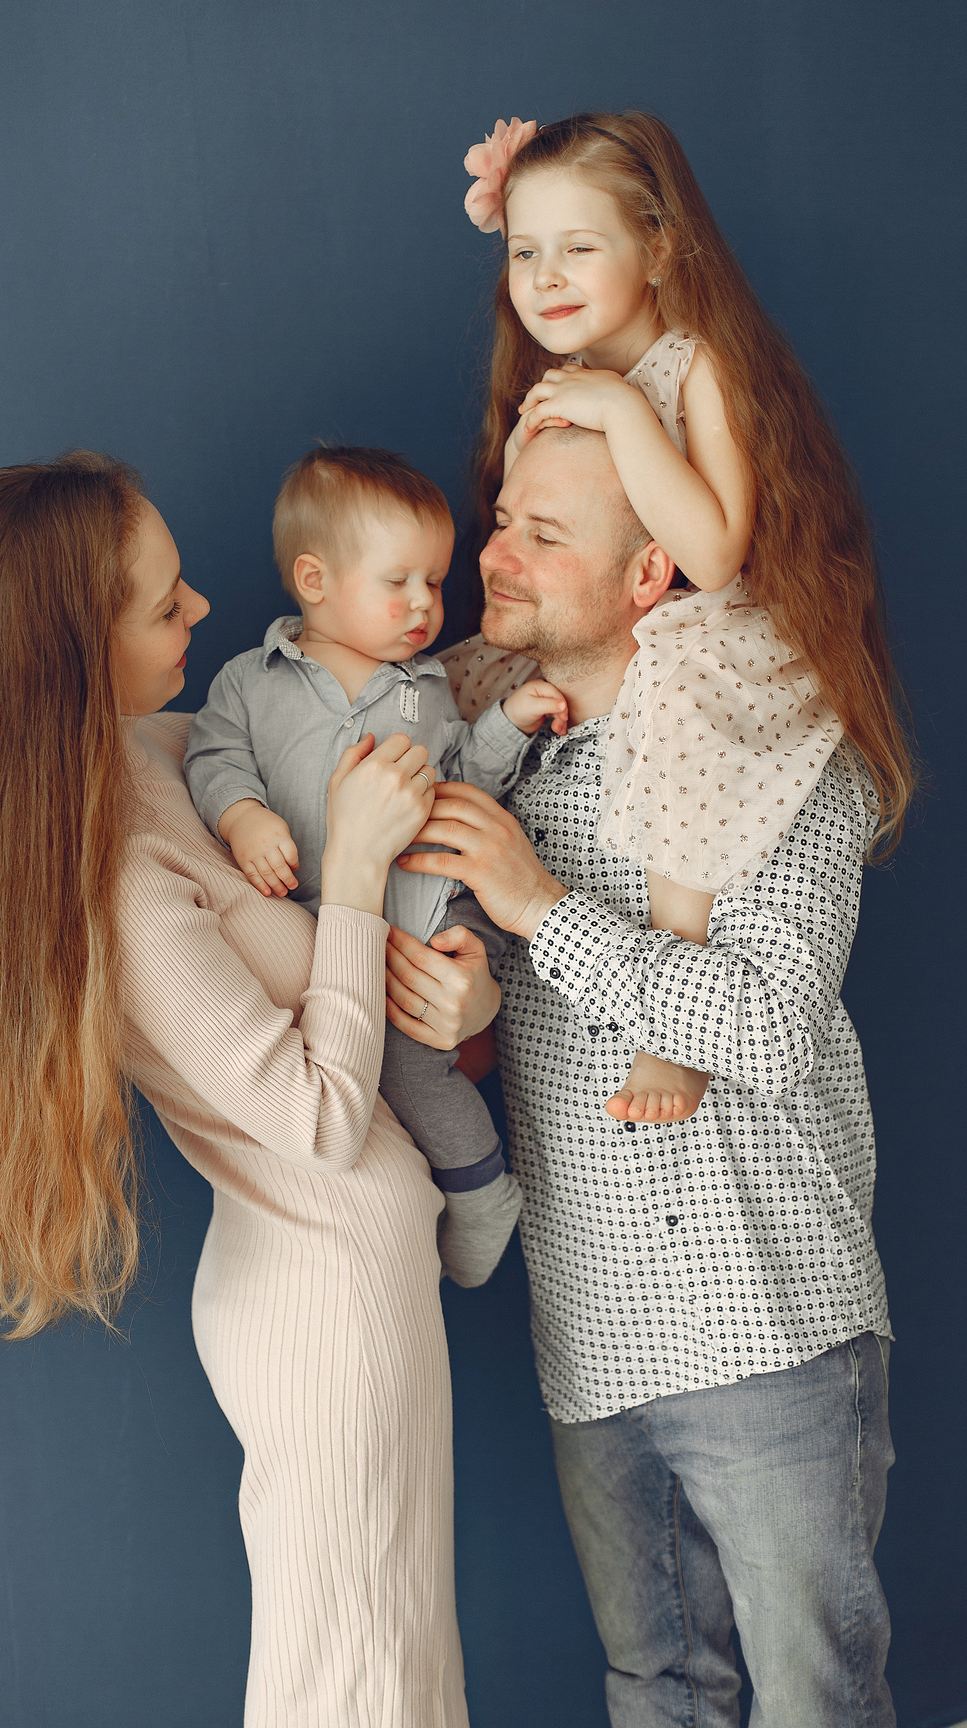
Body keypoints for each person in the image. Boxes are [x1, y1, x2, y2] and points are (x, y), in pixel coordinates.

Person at [0, 450, 498, 1727]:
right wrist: (365, 874)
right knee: (364, 1685)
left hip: (346, 1281)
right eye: (162, 607)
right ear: (72, 652)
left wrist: (466, 998)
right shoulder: (114, 878)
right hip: (326, 1306)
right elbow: (319, 1117)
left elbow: (334, 730)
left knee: (383, 1663)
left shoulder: (150, 754)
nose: (205, 608)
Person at [399, 425, 910, 1727]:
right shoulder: (500, 746)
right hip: (588, 1332)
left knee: (815, 1698)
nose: (494, 555)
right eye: (501, 518)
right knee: (657, 1689)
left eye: (543, 535)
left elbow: (770, 1030)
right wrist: (472, 1006)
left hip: (765, 1321)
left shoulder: (783, 746)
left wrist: (539, 905)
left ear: (648, 577)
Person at [449, 110, 911, 1128]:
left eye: (580, 246)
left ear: (658, 248)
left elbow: (710, 554)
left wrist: (617, 411)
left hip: (711, 624)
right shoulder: (544, 381)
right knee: (461, 678)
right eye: (526, 251)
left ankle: (675, 1015)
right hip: (626, 631)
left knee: (682, 716)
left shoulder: (692, 363)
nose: (546, 277)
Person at [185, 445, 567, 1286]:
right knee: (385, 1070)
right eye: (399, 582)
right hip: (345, 929)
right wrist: (243, 817)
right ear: (315, 582)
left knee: (426, 1047)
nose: (425, 606)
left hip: (444, 906)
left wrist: (507, 721)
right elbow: (213, 760)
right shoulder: (251, 683)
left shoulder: (423, 687)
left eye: (433, 583)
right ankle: (461, 1184)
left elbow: (464, 772)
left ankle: (478, 1191)